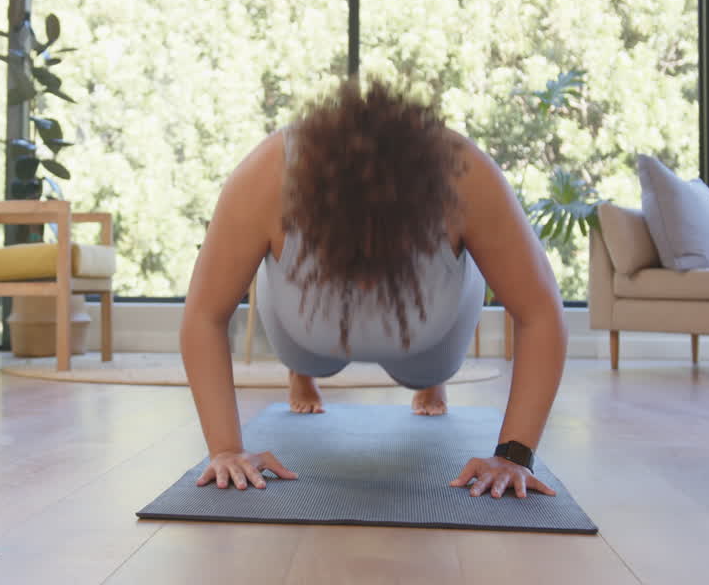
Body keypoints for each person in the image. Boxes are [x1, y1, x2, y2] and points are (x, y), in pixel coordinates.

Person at [179, 77, 567, 500]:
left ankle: (427, 381)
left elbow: (540, 314)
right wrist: (226, 450)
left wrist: (513, 455)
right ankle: (303, 373)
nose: (366, 286)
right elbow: (204, 316)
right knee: (311, 358)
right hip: (304, 330)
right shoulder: (268, 175)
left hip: (430, 333)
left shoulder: (466, 175)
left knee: (425, 371)